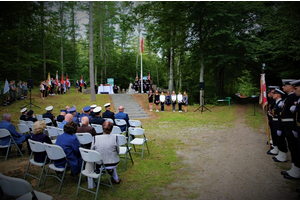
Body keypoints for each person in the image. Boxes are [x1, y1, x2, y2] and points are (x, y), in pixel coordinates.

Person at [274, 79, 300, 180]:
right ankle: (295, 169)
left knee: (294, 148)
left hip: (291, 126)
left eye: (285, 85)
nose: (283, 87)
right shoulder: (289, 98)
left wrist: (294, 127)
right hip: (288, 126)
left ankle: (296, 170)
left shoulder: (293, 97)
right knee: (293, 148)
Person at [267, 88, 285, 155]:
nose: (272, 95)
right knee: (276, 137)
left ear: (278, 95)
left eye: (274, 94)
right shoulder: (276, 103)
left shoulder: (280, 103)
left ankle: (282, 154)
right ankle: (277, 149)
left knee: (280, 139)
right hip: (275, 121)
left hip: (278, 123)